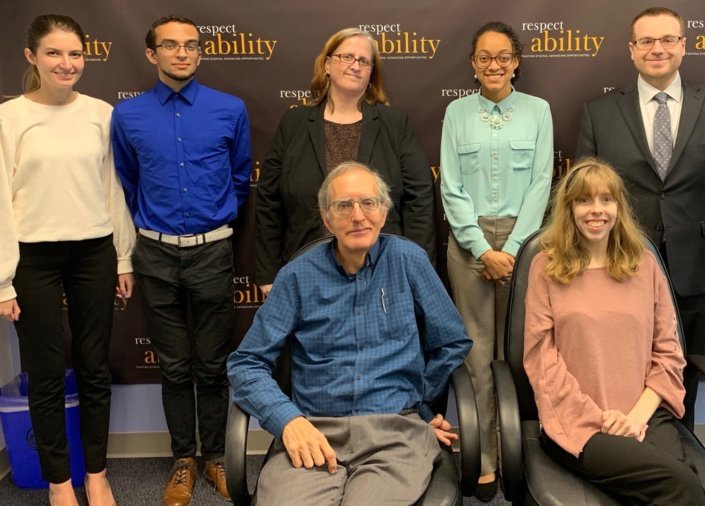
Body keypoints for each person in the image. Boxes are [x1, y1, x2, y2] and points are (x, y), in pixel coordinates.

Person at [228, 162, 471, 504]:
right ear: (327, 220)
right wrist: (288, 421)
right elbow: (246, 364)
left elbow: (452, 341)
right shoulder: (296, 277)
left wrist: (419, 407)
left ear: (384, 212)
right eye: (344, 206)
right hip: (314, 430)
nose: (358, 215)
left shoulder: (409, 261)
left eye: (369, 203)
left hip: (394, 435)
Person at [575, 6, 705, 427]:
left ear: (683, 46)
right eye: (647, 41)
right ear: (632, 50)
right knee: (622, 360)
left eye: (668, 39)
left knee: (685, 364)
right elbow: (585, 193)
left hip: (699, 263)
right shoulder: (600, 111)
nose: (658, 49)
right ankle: (629, 441)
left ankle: (682, 444)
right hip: (621, 258)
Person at [110, 15, 251, 505]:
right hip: (153, 253)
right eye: (170, 46)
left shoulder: (229, 109)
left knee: (212, 366)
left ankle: (215, 456)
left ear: (199, 53)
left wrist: (214, 222)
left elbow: (239, 177)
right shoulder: (127, 116)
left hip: (212, 250)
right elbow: (126, 183)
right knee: (174, 367)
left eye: (191, 45)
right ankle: (183, 461)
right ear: (152, 54)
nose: (182, 53)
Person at [0, 14, 135, 506]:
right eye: (54, 53)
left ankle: (96, 474)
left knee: (95, 367)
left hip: (94, 251)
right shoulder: (8, 118)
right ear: (31, 57)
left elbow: (113, 189)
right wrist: (3, 282)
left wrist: (123, 257)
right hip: (31, 259)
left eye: (75, 53)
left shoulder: (101, 113)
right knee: (47, 371)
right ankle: (60, 481)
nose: (67, 63)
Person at [523, 158, 705, 505]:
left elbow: (668, 352)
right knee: (684, 489)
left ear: (619, 208)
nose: (597, 210)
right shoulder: (545, 268)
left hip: (645, 414)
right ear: (568, 208)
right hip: (577, 423)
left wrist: (635, 418)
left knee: (680, 486)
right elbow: (541, 363)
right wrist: (601, 419)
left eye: (606, 200)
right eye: (584, 200)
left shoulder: (645, 265)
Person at [439, 21, 552, 500]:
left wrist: (512, 250)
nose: (493, 65)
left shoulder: (538, 111)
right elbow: (451, 187)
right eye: (484, 56)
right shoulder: (457, 112)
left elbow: (542, 183)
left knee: (522, 354)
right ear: (472, 63)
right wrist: (481, 248)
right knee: (477, 355)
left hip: (524, 245)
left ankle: (519, 455)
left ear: (516, 62)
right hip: (470, 246)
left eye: (503, 56)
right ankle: (483, 457)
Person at [255, 28, 435, 294]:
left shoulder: (395, 124)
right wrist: (268, 275)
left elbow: (419, 199)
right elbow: (269, 202)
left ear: (371, 73)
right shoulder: (293, 123)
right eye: (346, 57)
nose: (355, 66)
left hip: (383, 270)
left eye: (364, 61)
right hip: (307, 268)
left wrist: (417, 270)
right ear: (327, 64)